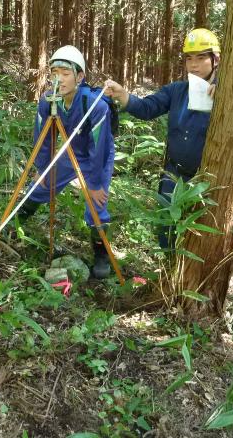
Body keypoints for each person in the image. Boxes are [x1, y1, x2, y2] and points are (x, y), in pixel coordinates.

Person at [103, 28, 220, 249]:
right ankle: (168, 269)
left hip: (208, 180)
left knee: (201, 236)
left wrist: (223, 92)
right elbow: (148, 108)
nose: (193, 64)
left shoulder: (225, 91)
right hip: (173, 174)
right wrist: (122, 95)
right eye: (189, 58)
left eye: (201, 57)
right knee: (166, 227)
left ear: (216, 59)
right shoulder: (177, 91)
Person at [17, 45, 116, 279]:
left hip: (97, 156)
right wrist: (42, 168)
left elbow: (99, 148)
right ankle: (15, 225)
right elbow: (43, 138)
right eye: (54, 73)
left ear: (79, 77)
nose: (58, 79)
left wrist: (93, 185)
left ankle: (101, 254)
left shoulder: (95, 104)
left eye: (65, 73)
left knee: (97, 202)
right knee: (40, 186)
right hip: (71, 152)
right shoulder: (48, 101)